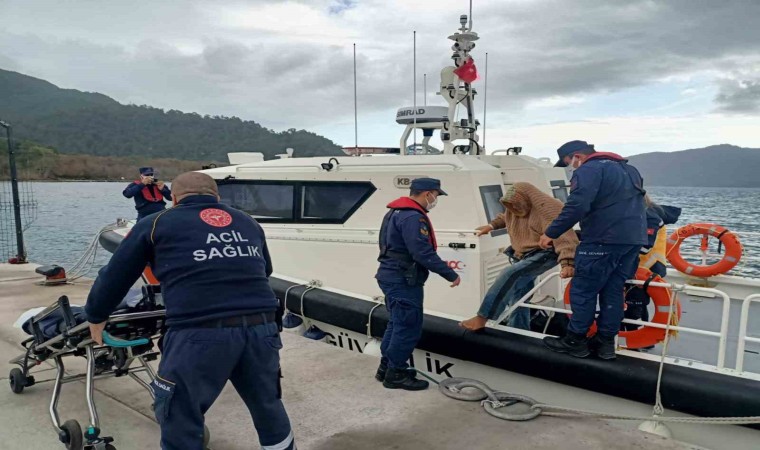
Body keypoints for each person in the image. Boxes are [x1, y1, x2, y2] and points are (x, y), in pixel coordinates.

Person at [86, 172, 295, 450]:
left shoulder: (156, 223)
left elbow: (115, 276)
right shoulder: (247, 222)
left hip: (199, 333)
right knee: (268, 404)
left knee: (179, 414)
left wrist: (96, 315)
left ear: (173, 198)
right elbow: (264, 269)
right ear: (217, 197)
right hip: (262, 329)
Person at [539, 140, 647, 360]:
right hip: (632, 240)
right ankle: (605, 343)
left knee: (583, 290)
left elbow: (577, 205)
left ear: (577, 156)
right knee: (613, 290)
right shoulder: (629, 170)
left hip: (602, 240)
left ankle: (575, 340)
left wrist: (551, 233)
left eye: (570, 163)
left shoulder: (590, 169)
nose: (572, 168)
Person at [375, 178, 461, 391]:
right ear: (427, 194)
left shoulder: (395, 212)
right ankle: (396, 374)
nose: (435, 200)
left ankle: (385, 367)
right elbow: (422, 252)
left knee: (396, 324)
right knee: (408, 327)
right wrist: (450, 274)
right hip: (403, 280)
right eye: (436, 195)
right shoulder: (413, 217)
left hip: (389, 276)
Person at [460, 182, 578, 331]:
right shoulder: (515, 206)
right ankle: (519, 329)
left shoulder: (549, 208)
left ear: (526, 199)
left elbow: (565, 234)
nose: (513, 209)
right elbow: (507, 216)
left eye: (515, 205)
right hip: (523, 253)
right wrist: (491, 226)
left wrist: (567, 263)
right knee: (519, 294)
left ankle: (482, 317)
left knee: (510, 274)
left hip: (545, 253)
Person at [623, 195, 681, 331]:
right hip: (642, 266)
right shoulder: (644, 214)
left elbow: (644, 247)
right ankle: (639, 334)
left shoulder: (649, 217)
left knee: (634, 304)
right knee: (638, 303)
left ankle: (633, 340)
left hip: (647, 267)